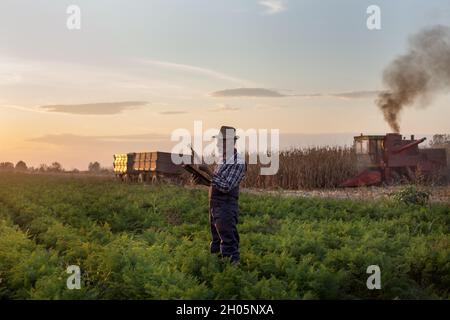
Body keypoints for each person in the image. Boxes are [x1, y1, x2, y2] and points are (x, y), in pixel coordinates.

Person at [199, 126, 246, 264]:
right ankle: (217, 271)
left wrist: (208, 170)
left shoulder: (238, 161)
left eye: (222, 141)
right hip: (215, 206)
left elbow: (226, 186)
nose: (219, 144)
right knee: (216, 241)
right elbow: (217, 182)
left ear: (231, 142)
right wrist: (202, 181)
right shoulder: (222, 160)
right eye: (219, 141)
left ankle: (231, 274)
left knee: (228, 243)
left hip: (226, 206)